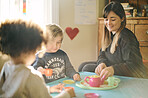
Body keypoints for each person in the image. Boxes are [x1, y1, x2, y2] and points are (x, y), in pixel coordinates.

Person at [0, 19, 75, 98]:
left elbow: (24, 90)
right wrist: (67, 94)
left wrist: (48, 89)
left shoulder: (6, 68)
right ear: (31, 50)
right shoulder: (32, 76)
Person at [79, 1, 147, 79]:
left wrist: (113, 69)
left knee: (86, 68)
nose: (109, 23)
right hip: (112, 65)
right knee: (82, 66)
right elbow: (102, 54)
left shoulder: (127, 37)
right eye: (106, 19)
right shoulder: (109, 34)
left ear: (122, 19)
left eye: (113, 19)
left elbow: (134, 65)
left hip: (126, 73)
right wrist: (102, 63)